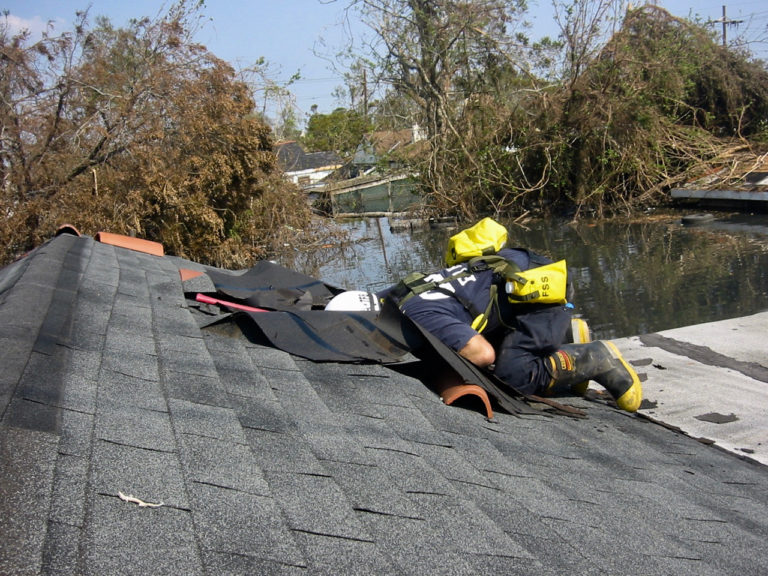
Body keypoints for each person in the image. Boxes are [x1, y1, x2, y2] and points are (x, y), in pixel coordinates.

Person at [386, 244, 643, 413]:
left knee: (510, 377)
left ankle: (594, 358)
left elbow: (481, 354)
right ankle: (566, 334)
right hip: (516, 272)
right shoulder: (396, 296)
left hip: (537, 289)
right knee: (474, 333)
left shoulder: (419, 317)